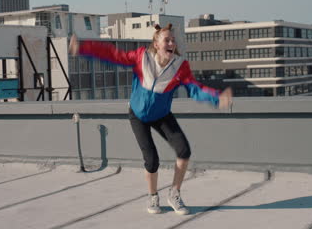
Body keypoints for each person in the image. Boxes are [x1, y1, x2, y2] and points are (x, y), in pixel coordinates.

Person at [69, 23, 233, 215]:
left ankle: (174, 194)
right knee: (152, 160)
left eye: (173, 40)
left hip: (161, 115)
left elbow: (194, 89)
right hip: (137, 115)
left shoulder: (180, 66)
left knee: (184, 150)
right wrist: (82, 47)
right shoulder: (141, 57)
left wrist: (217, 98)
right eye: (167, 40)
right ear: (156, 44)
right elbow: (114, 55)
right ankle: (153, 196)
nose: (172, 43)